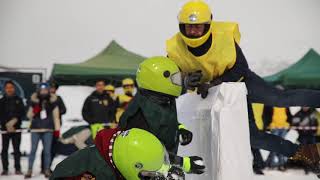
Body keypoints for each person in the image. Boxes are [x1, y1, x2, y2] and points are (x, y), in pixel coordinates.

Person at [166, 0, 320, 174]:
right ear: (181, 27)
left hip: (242, 82)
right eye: (188, 27)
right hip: (218, 97)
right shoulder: (174, 48)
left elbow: (240, 67)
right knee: (253, 138)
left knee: (279, 99)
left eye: (197, 27)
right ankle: (307, 153)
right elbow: (168, 80)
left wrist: (215, 82)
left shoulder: (223, 35)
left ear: (207, 25)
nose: (193, 31)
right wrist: (185, 81)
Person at [120, 57, 202, 175]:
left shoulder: (162, 98)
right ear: (159, 80)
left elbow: (164, 121)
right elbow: (145, 155)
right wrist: (184, 163)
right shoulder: (139, 117)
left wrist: (180, 129)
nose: (178, 83)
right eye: (175, 79)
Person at [50, 128, 205, 180]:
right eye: (147, 175)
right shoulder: (93, 173)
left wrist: (169, 169)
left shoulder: (122, 149)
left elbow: (147, 156)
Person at [25, 83, 61, 178]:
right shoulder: (34, 101)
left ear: (48, 90)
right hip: (35, 129)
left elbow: (56, 117)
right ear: (38, 90)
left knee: (47, 151)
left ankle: (47, 170)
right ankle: (29, 170)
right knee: (33, 150)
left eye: (45, 90)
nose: (43, 92)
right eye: (41, 90)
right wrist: (34, 110)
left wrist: (57, 130)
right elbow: (28, 116)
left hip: (48, 129)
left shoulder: (53, 102)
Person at [40, 81, 67, 174]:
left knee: (53, 148)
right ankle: (43, 167)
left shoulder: (58, 98)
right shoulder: (44, 98)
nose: (52, 89)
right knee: (46, 148)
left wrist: (56, 111)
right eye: (50, 88)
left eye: (53, 88)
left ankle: (48, 167)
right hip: (46, 127)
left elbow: (64, 110)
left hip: (56, 127)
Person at [0, 80, 25, 175]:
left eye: (11, 87)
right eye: (7, 88)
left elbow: (22, 113)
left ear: (14, 88)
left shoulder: (19, 99)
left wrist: (14, 122)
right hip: (5, 129)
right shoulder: (1, 101)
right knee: (4, 150)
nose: (9, 89)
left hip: (16, 129)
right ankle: (5, 169)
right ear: (5, 89)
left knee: (17, 149)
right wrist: (6, 124)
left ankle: (18, 168)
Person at [263, 106, 291, 171]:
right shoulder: (272, 103)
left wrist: (288, 124)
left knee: (281, 146)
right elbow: (267, 115)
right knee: (274, 146)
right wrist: (269, 124)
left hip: (283, 128)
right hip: (274, 128)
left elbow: (289, 116)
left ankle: (280, 164)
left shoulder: (285, 104)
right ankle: (272, 164)